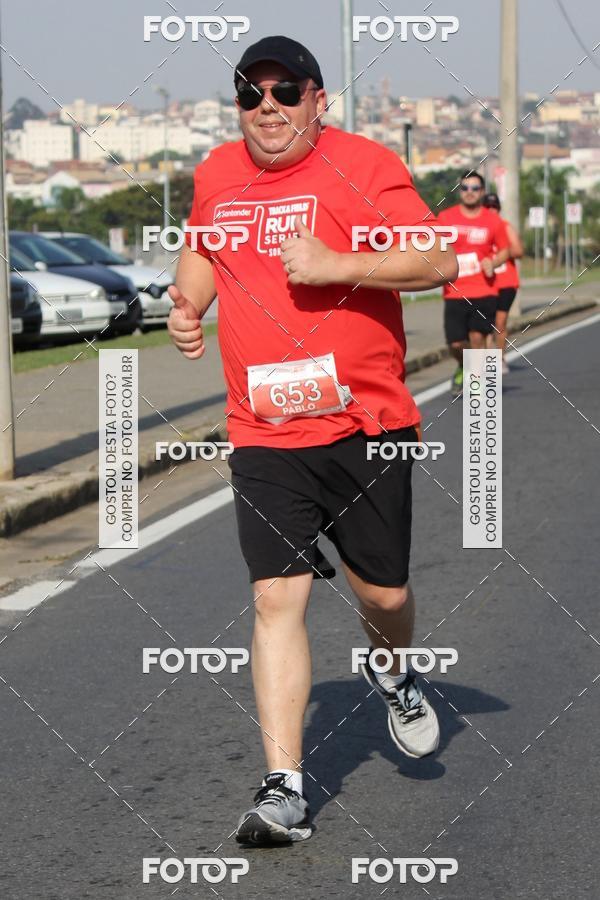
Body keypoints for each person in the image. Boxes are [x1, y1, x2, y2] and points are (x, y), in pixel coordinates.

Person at [166, 35, 457, 846]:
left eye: (286, 91)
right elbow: (202, 249)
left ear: (318, 101)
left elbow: (437, 257)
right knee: (275, 596)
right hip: (262, 427)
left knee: (384, 597)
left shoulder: (362, 165)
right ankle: (283, 789)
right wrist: (187, 307)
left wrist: (336, 263)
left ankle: (393, 670)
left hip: (367, 424)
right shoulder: (217, 174)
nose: (268, 107)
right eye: (251, 93)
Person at [438, 172, 510, 396]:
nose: (469, 192)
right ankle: (463, 366)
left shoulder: (493, 220)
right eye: (465, 188)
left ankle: (475, 382)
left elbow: (506, 250)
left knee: (478, 338)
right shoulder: (445, 218)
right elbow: (434, 245)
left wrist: (494, 261)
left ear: (482, 191)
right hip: (454, 291)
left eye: (475, 188)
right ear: (459, 191)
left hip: (484, 290)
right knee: (456, 343)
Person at [483, 192, 524, 373]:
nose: (492, 210)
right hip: (484, 283)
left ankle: (499, 358)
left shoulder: (505, 226)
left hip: (506, 282)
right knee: (483, 324)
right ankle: (487, 359)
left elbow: (518, 251)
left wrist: (504, 248)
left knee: (499, 322)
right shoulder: (479, 230)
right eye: (488, 207)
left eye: (495, 207)